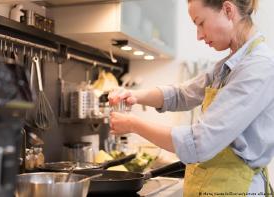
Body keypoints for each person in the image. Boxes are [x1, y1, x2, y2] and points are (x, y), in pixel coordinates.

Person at [108, 0, 274, 196]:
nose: (199, 35)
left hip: (236, 189)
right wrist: (134, 95)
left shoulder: (258, 67)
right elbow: (182, 94)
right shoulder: (230, 65)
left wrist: (133, 125)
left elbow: (200, 143)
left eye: (200, 22)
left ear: (228, 10)